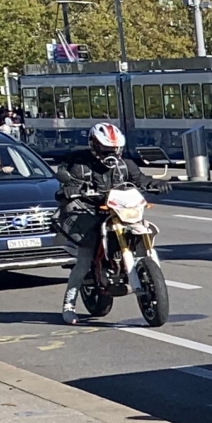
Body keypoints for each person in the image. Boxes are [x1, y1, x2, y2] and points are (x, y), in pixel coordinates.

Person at [55, 121, 138, 323]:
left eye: (114, 149)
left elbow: (140, 179)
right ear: (94, 145)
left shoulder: (125, 165)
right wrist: (69, 191)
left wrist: (157, 183)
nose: (110, 152)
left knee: (137, 227)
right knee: (84, 260)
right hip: (89, 212)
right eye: (105, 148)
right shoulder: (78, 164)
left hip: (117, 211)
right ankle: (68, 305)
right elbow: (67, 181)